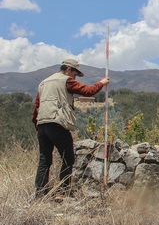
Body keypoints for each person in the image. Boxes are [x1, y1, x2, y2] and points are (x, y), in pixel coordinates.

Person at [32, 59, 109, 198]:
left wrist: (37, 126)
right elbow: (88, 91)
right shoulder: (66, 81)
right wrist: (101, 83)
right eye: (74, 73)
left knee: (45, 160)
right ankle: (63, 191)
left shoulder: (43, 83)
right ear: (68, 69)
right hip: (57, 123)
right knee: (68, 158)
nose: (74, 77)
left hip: (42, 124)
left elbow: (37, 106)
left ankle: (39, 194)